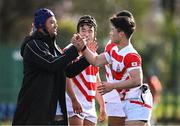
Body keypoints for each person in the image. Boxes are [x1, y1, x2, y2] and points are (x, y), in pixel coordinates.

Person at [72, 10, 153, 126]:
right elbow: (96, 60)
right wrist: (83, 47)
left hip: (135, 101)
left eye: (113, 29)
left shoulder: (131, 55)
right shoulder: (112, 47)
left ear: (121, 33)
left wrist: (112, 86)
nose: (110, 33)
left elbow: (137, 80)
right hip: (116, 98)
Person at [12, 8, 90, 125]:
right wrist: (75, 48)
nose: (55, 25)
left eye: (56, 22)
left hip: (57, 116)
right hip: (36, 114)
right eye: (51, 22)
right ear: (41, 25)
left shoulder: (54, 48)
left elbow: (68, 71)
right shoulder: (33, 45)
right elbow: (51, 64)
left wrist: (88, 57)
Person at [56, 15, 106, 126]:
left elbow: (96, 81)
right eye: (83, 30)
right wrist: (74, 100)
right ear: (77, 32)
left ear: (94, 34)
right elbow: (65, 77)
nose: (86, 34)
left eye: (90, 31)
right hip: (73, 103)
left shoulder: (94, 55)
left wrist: (102, 104)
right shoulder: (70, 50)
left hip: (90, 106)